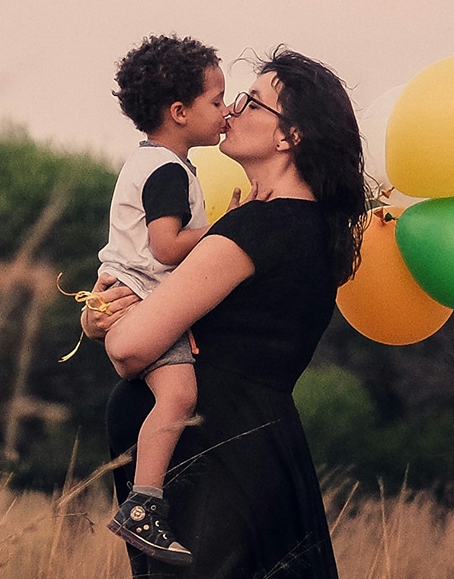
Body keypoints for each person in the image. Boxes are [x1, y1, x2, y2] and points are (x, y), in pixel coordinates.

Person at [81, 47, 368, 578]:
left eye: (253, 103)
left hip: (217, 465)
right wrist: (98, 313)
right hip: (258, 451)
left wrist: (113, 326)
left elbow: (129, 348)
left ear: (291, 136)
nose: (233, 111)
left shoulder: (255, 228)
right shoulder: (309, 231)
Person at [95, 34, 234, 566]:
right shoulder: (168, 171)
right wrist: (227, 229)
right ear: (179, 111)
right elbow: (168, 246)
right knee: (178, 398)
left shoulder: (155, 163)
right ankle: (143, 505)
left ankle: (143, 500)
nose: (226, 111)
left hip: (131, 296)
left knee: (173, 397)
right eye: (217, 101)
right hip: (143, 300)